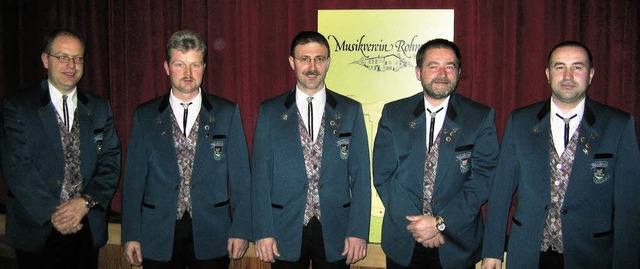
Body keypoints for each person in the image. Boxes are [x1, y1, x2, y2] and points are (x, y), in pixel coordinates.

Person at [481, 41, 640, 269]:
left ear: (591, 74)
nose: (568, 75)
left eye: (577, 67)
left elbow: (630, 206)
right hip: (528, 253)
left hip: (591, 256)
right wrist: (492, 251)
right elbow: (501, 190)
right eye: (559, 67)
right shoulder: (520, 122)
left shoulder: (617, 125)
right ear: (547, 74)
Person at [121, 30, 252, 269]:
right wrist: (131, 233)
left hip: (213, 231)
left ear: (204, 67)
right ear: (167, 67)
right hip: (157, 233)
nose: (188, 73)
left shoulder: (226, 113)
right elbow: (133, 180)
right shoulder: (145, 115)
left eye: (195, 65)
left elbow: (242, 179)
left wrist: (241, 229)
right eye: (180, 64)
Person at [372, 38, 500, 269]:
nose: (442, 73)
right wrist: (420, 227)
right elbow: (384, 175)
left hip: (456, 242)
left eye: (450, 66)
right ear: (418, 72)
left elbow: (483, 178)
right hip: (404, 239)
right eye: (434, 66)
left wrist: (440, 224)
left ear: (458, 73)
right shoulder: (394, 114)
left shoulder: (479, 118)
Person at [0, 29, 121, 268]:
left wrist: (84, 202)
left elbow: (110, 160)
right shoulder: (18, 107)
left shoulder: (98, 107)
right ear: (46, 60)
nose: (71, 65)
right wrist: (55, 214)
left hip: (86, 225)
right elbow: (17, 167)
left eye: (77, 58)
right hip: (38, 227)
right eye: (62, 57)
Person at [251, 31, 371, 269]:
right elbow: (260, 178)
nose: (312, 66)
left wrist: (358, 231)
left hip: (337, 230)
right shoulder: (270, 112)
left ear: (328, 62)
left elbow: (361, 178)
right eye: (304, 58)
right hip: (284, 229)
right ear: (291, 62)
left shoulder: (350, 111)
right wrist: (263, 230)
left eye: (319, 58)